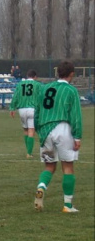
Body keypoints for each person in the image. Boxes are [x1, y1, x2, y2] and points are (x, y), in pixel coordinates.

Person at [34, 61, 83, 213]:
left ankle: (41, 187)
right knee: (68, 166)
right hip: (63, 128)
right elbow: (75, 116)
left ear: (57, 73)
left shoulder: (44, 88)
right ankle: (67, 206)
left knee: (49, 166)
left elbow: (37, 111)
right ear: (72, 74)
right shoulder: (71, 90)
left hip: (45, 130)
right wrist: (77, 136)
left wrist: (39, 129)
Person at [9, 69, 42, 159]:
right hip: (32, 109)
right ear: (35, 77)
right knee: (31, 131)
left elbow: (15, 96)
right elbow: (41, 97)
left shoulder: (20, 84)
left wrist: (12, 108)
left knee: (25, 130)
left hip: (22, 109)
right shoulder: (38, 85)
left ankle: (28, 151)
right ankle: (29, 153)